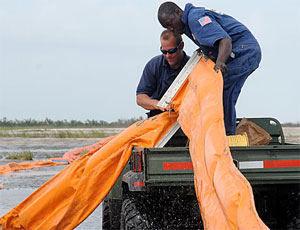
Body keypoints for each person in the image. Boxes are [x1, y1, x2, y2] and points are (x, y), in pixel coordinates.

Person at [158, 2, 262, 135]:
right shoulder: (190, 22)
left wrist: (220, 63)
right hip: (241, 50)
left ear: (178, 13)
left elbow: (225, 40)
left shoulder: (195, 20)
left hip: (244, 51)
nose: (171, 29)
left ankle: (226, 135)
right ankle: (223, 132)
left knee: (222, 89)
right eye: (166, 27)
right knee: (220, 90)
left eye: (170, 24)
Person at [136, 29, 190, 118]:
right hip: (159, 118)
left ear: (181, 46)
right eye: (164, 52)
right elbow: (140, 98)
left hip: (186, 118)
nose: (168, 56)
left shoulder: (193, 67)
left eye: (172, 51)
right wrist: (157, 104)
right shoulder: (153, 65)